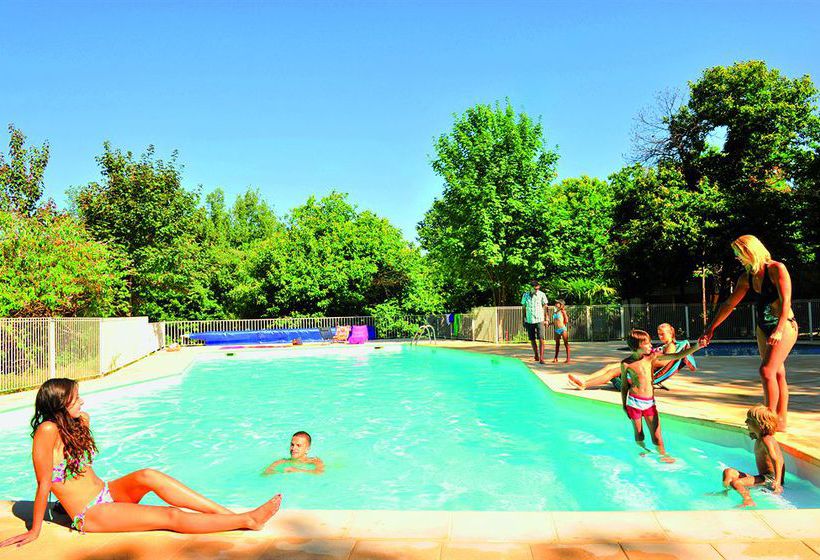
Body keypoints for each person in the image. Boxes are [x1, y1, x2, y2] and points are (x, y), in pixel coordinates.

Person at [0, 379, 282, 548]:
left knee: (149, 475)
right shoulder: (47, 431)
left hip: (108, 492)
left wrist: (81, 424)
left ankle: (227, 515)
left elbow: (79, 470)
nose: (83, 402)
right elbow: (44, 485)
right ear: (60, 404)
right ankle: (247, 520)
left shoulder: (78, 423)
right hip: (92, 512)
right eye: (76, 399)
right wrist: (35, 530)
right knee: (169, 516)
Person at [699, 235, 797, 431]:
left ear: (750, 251)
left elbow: (786, 301)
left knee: (766, 371)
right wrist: (710, 329)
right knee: (776, 373)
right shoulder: (747, 277)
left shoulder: (777, 269)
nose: (737, 257)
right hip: (763, 327)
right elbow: (729, 304)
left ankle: (767, 421)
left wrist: (778, 329)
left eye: (739, 253)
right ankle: (781, 422)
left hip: (784, 325)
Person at [619, 329, 703, 463]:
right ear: (638, 345)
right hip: (633, 403)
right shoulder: (626, 364)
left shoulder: (651, 358)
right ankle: (643, 451)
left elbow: (677, 355)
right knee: (639, 434)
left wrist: (697, 346)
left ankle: (663, 455)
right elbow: (624, 386)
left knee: (657, 436)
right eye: (647, 343)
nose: (651, 346)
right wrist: (624, 405)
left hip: (649, 403)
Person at [567, 323, 687, 390]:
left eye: (663, 334)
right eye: (659, 334)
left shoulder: (671, 346)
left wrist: (648, 359)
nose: (660, 336)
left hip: (643, 370)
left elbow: (665, 363)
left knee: (613, 372)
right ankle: (585, 379)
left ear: (671, 333)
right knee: (610, 366)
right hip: (641, 365)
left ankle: (584, 384)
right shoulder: (666, 345)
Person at [722, 405, 784, 507]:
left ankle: (748, 500)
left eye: (749, 420)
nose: (746, 422)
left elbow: (776, 460)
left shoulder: (766, 440)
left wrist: (777, 482)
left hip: (770, 479)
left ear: (760, 424)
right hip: (763, 477)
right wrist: (754, 434)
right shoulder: (761, 437)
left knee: (737, 483)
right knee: (728, 472)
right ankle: (725, 493)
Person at [521, 281, 549, 364]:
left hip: (540, 319)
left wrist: (546, 318)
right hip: (530, 320)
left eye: (537, 289)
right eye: (535, 289)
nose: (536, 290)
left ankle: (542, 357)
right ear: (531, 288)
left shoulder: (542, 294)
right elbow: (524, 307)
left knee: (541, 338)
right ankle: (536, 354)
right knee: (532, 339)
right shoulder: (525, 295)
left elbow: (546, 307)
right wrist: (523, 319)